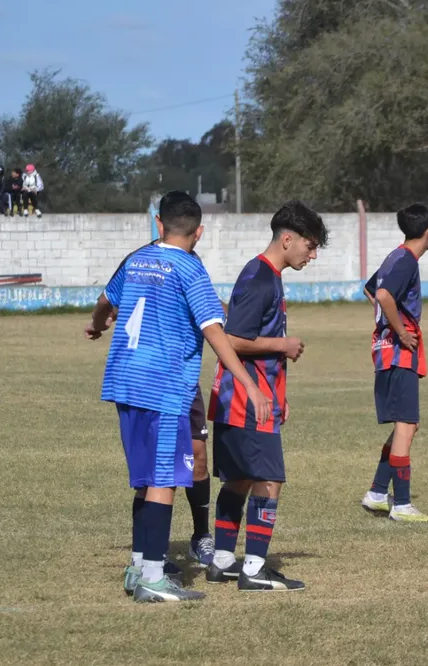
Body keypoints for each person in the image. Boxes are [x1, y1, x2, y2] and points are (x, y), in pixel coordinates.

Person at [86, 190, 271, 603]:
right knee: (164, 481)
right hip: (164, 386)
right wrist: (249, 382)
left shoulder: (136, 259)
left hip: (124, 381)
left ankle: (138, 567)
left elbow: (105, 301)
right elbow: (214, 332)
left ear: (158, 224)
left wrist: (97, 325)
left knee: (144, 480)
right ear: (199, 232)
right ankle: (153, 577)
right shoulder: (190, 269)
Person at [206, 200, 328, 592]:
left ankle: (223, 561)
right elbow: (233, 339)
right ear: (287, 239)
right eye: (310, 247)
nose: (312, 255)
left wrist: (281, 393)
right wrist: (283, 344)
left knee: (240, 478)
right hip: (246, 399)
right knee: (269, 480)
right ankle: (254, 569)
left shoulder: (267, 274)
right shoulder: (260, 278)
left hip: (248, 396)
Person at [360, 203, 428, 523]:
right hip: (397, 352)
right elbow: (384, 296)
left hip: (387, 351)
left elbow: (370, 289)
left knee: (408, 424)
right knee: (406, 425)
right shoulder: (406, 260)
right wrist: (401, 331)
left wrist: (386, 324)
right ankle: (402, 504)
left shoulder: (397, 255)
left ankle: (378, 493)